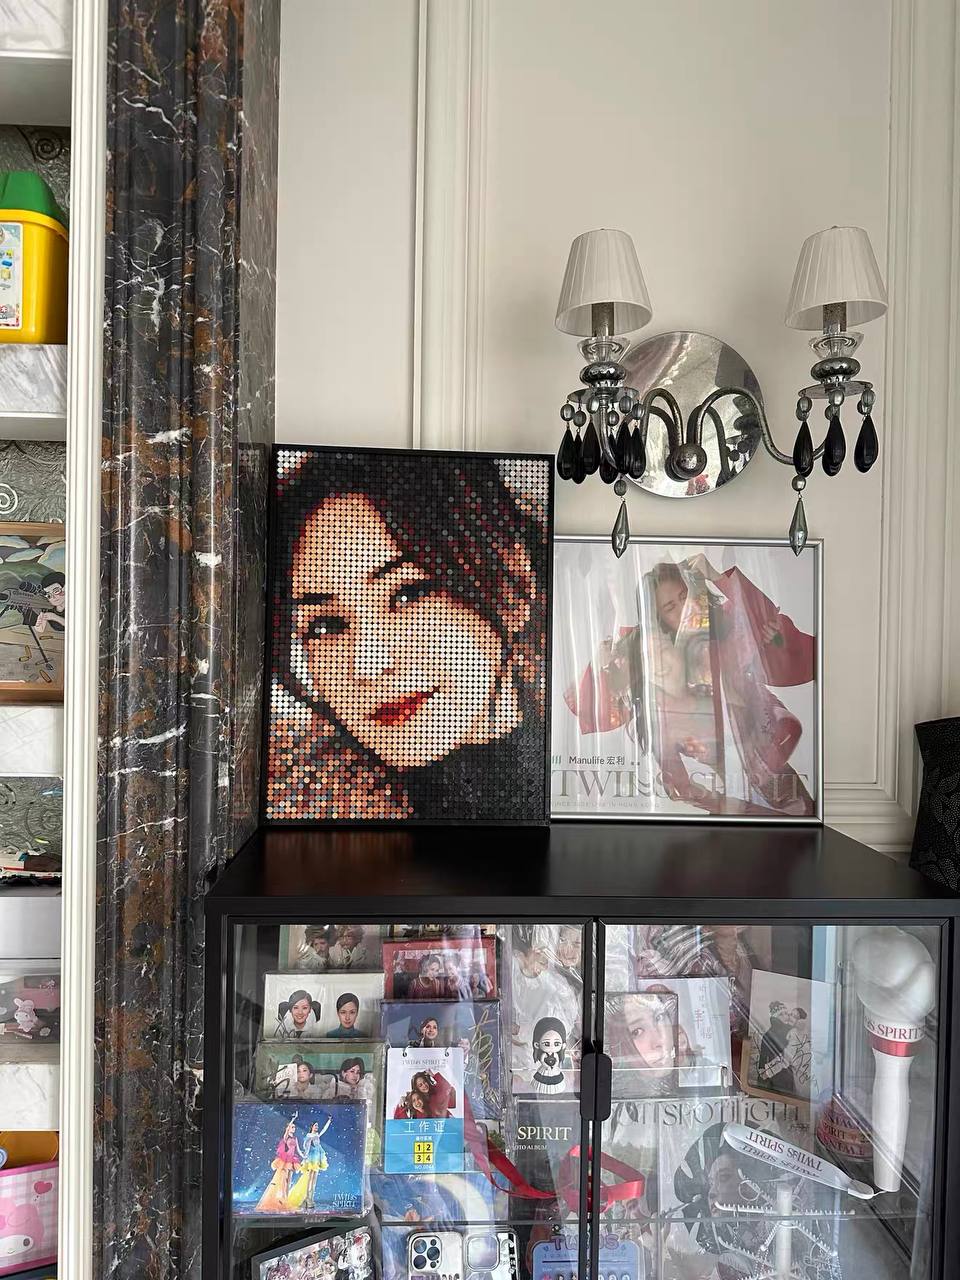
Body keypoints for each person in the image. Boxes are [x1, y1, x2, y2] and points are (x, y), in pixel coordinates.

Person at [267, 452, 548, 821]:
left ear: (513, 584)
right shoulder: (298, 796)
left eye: (408, 594)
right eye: (325, 626)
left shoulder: (582, 757)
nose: (370, 663)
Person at [564, 556, 815, 816]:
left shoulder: (728, 636)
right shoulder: (659, 663)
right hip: (736, 807)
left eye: (684, 596)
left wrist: (715, 576)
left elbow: (765, 619)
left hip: (786, 793)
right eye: (671, 607)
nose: (683, 609)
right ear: (659, 622)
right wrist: (599, 665)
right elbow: (594, 709)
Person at [256, 1118, 301, 1211]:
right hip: (285, 1160)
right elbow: (286, 1132)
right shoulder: (286, 1137)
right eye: (292, 1127)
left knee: (289, 1181)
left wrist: (303, 1155)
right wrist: (293, 1119)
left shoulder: (295, 1138)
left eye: (294, 1127)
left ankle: (286, 1200)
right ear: (288, 1128)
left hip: (292, 1160)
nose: (293, 1128)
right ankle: (282, 1200)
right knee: (283, 1181)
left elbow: (298, 1149)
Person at [756, 1001, 795, 1094]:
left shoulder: (791, 1032)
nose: (786, 1016)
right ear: (775, 1017)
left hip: (783, 1074)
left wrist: (766, 1072)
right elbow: (763, 1058)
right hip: (775, 1078)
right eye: (782, 1014)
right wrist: (763, 1073)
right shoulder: (768, 1035)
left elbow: (788, 1056)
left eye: (786, 1013)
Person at [297, 1116, 332, 1209]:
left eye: (317, 1126)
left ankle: (310, 1198)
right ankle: (308, 1199)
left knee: (314, 1180)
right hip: (312, 1158)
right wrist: (304, 1157)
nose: (317, 1127)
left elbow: (324, 1130)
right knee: (310, 1179)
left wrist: (328, 1121)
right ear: (312, 1126)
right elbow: (306, 1146)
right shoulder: (309, 1135)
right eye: (315, 1126)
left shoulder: (317, 1135)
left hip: (317, 1157)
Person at [530, 1016, 569, 1094]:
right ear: (537, 1045)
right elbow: (542, 1060)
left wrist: (553, 1067)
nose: (551, 1048)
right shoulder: (544, 1055)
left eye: (556, 1043)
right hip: (545, 1070)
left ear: (563, 1045)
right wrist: (547, 1067)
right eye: (546, 1044)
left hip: (554, 1070)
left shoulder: (556, 1055)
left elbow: (557, 1060)